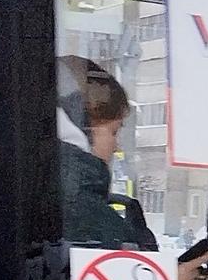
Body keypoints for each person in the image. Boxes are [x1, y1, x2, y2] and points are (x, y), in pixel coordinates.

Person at [55, 56, 157, 250]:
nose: (116, 146)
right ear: (83, 129)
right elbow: (129, 277)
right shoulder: (91, 219)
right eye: (114, 132)